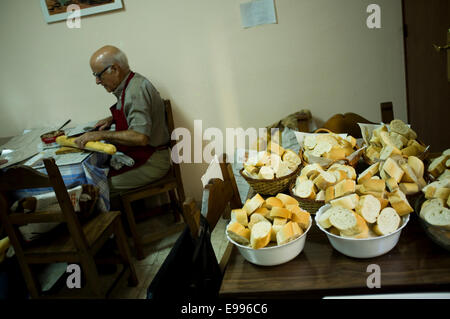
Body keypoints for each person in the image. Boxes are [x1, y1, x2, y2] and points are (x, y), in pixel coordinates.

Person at [75, 45, 171, 197]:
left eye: (98, 75)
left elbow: (140, 137)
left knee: (93, 189)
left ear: (114, 69)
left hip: (151, 162)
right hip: (144, 156)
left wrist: (101, 135)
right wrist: (112, 119)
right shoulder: (131, 83)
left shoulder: (135, 91)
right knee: (94, 175)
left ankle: (114, 220)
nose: (97, 81)